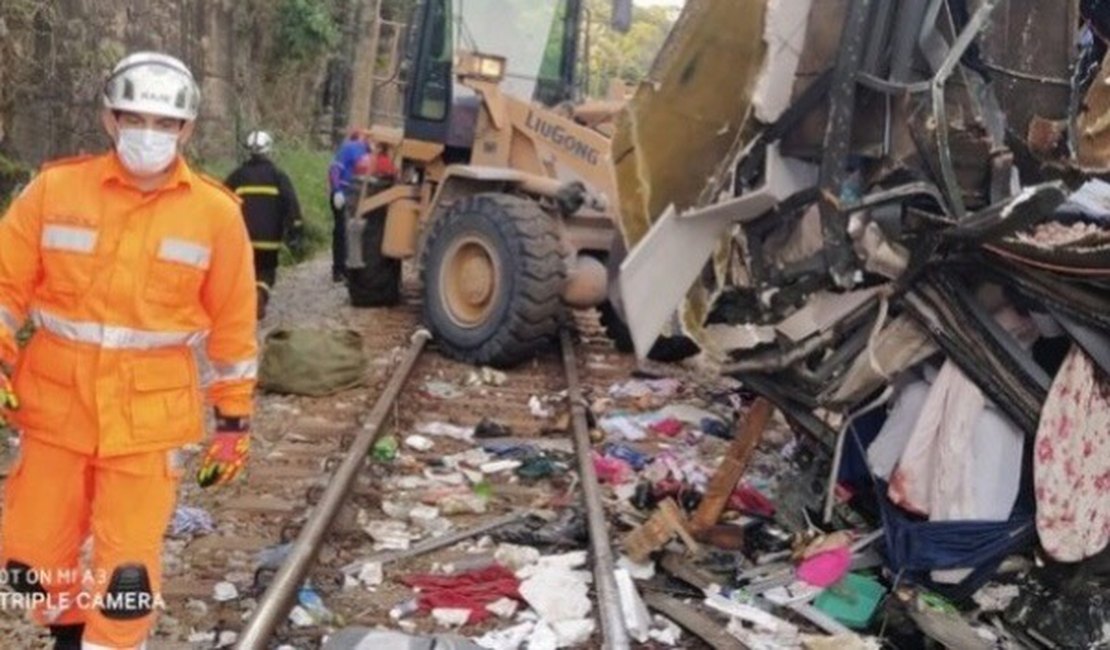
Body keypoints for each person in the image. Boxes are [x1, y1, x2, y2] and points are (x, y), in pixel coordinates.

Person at [0, 51, 258, 649]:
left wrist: (233, 423)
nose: (151, 134)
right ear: (111, 119)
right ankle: (65, 633)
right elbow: (6, 286)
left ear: (187, 130)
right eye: (136, 118)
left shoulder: (216, 215)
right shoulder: (54, 189)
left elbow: (234, 329)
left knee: (127, 579)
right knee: (28, 564)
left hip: (147, 424)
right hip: (54, 412)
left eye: (166, 124)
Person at [224, 130, 305, 318]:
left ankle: (245, 301)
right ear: (269, 150)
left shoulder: (237, 176)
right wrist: (296, 231)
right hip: (270, 238)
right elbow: (291, 204)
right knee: (267, 271)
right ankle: (260, 294)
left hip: (242, 238)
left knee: (245, 270)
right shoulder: (278, 176)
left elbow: (221, 202)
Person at [327, 129, 370, 282]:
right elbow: (335, 169)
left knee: (348, 232)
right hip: (344, 194)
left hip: (354, 195)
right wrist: (337, 190)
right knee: (341, 232)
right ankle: (339, 269)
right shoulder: (350, 148)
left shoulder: (367, 151)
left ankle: (346, 267)